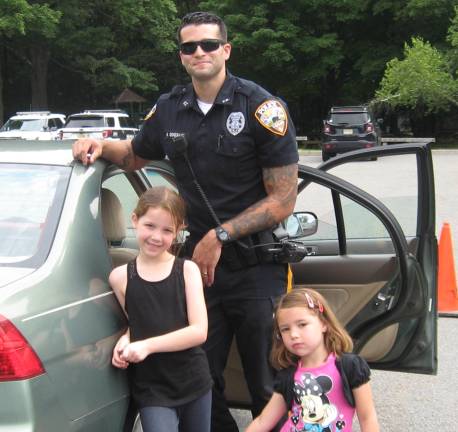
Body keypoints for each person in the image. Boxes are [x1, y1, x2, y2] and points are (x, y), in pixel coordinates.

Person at [73, 11, 298, 431]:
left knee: (267, 383)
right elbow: (135, 154)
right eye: (189, 46)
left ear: (225, 50)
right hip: (200, 271)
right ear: (181, 56)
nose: (199, 52)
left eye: (209, 44)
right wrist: (98, 144)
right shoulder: (171, 108)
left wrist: (220, 233)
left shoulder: (262, 108)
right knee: (199, 379)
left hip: (256, 267)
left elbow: (283, 199)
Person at [110, 187, 213, 432]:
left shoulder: (186, 270)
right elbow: (139, 321)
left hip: (193, 381)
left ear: (179, 231)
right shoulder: (120, 277)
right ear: (134, 220)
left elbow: (199, 331)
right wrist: (125, 339)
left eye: (167, 230)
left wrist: (145, 345)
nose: (157, 237)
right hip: (152, 388)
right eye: (150, 226)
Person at [246, 288, 379, 432]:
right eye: (285, 329)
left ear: (324, 324)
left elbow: (367, 417)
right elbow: (262, 422)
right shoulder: (288, 376)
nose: (294, 334)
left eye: (302, 324)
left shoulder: (349, 367)